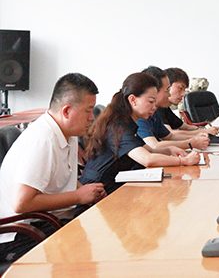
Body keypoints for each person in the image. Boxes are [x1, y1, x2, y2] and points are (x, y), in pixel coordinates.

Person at [0, 73, 106, 262]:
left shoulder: (67, 133)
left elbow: (62, 178)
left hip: (45, 221)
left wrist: (88, 192)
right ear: (66, 111)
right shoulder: (43, 140)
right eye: (88, 111)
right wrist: (78, 196)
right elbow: (21, 203)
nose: (92, 118)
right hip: (19, 233)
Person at [80, 72, 201, 195]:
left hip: (112, 188)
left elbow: (148, 150)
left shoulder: (128, 122)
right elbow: (147, 159)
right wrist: (184, 161)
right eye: (151, 101)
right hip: (95, 194)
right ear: (133, 100)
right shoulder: (119, 126)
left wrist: (168, 150)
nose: (154, 107)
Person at [136, 66, 210, 151]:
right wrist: (191, 143)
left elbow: (169, 136)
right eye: (167, 90)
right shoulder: (140, 114)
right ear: (154, 91)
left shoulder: (153, 113)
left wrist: (198, 135)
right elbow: (154, 146)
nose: (169, 94)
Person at [158, 67, 219, 136]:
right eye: (180, 88)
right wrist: (204, 132)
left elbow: (185, 127)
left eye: (184, 90)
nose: (183, 94)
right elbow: (170, 133)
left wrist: (202, 129)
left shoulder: (165, 109)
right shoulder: (157, 108)